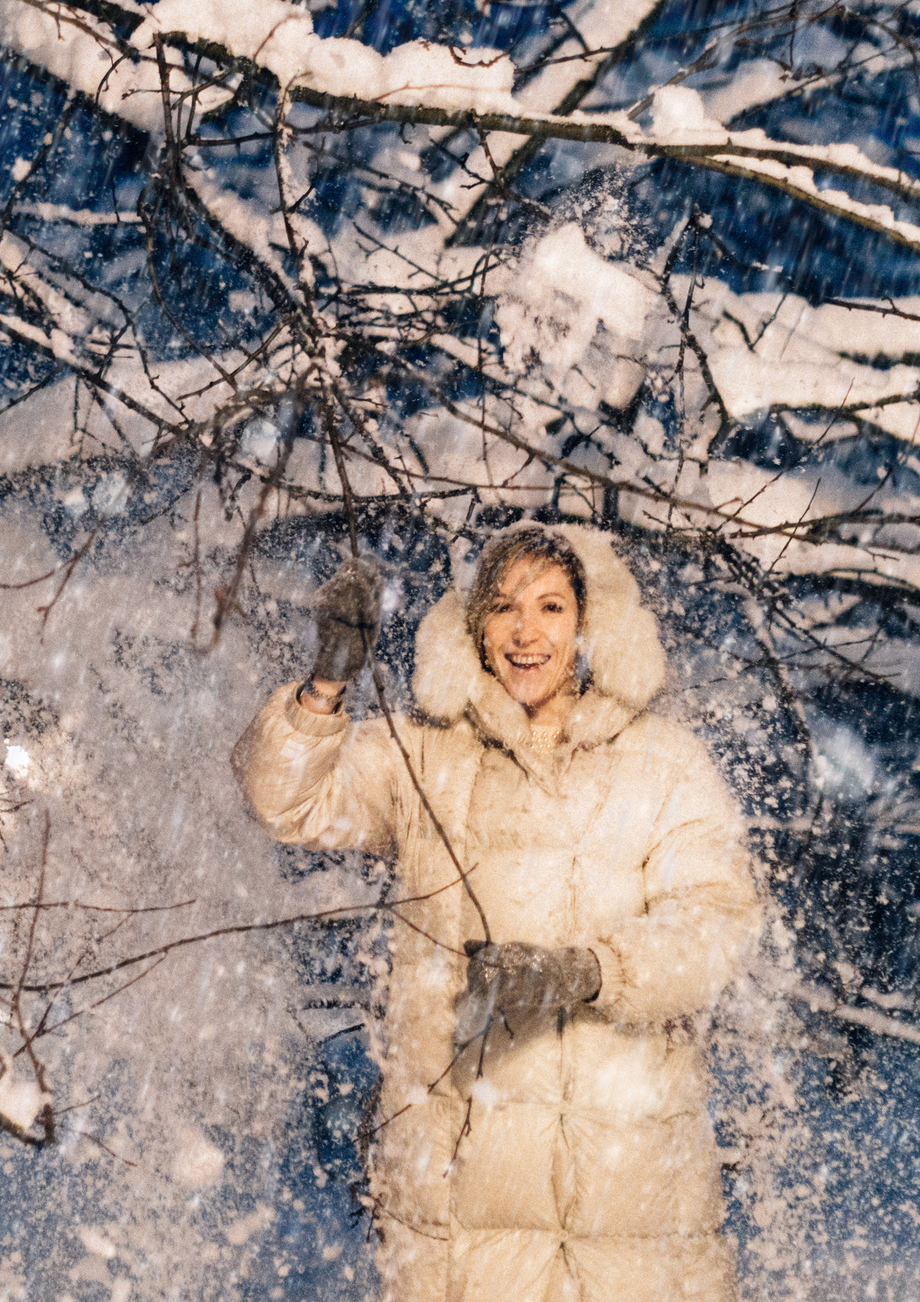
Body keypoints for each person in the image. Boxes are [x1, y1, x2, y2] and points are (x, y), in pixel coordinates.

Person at [234, 525, 761, 1302]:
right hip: (460, 1218)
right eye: (504, 607)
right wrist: (323, 687)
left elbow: (717, 927)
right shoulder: (428, 759)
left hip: (628, 1216)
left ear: (585, 624)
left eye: (551, 606)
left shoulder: (665, 765)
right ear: (473, 625)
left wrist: (589, 971)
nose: (526, 631)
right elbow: (288, 800)